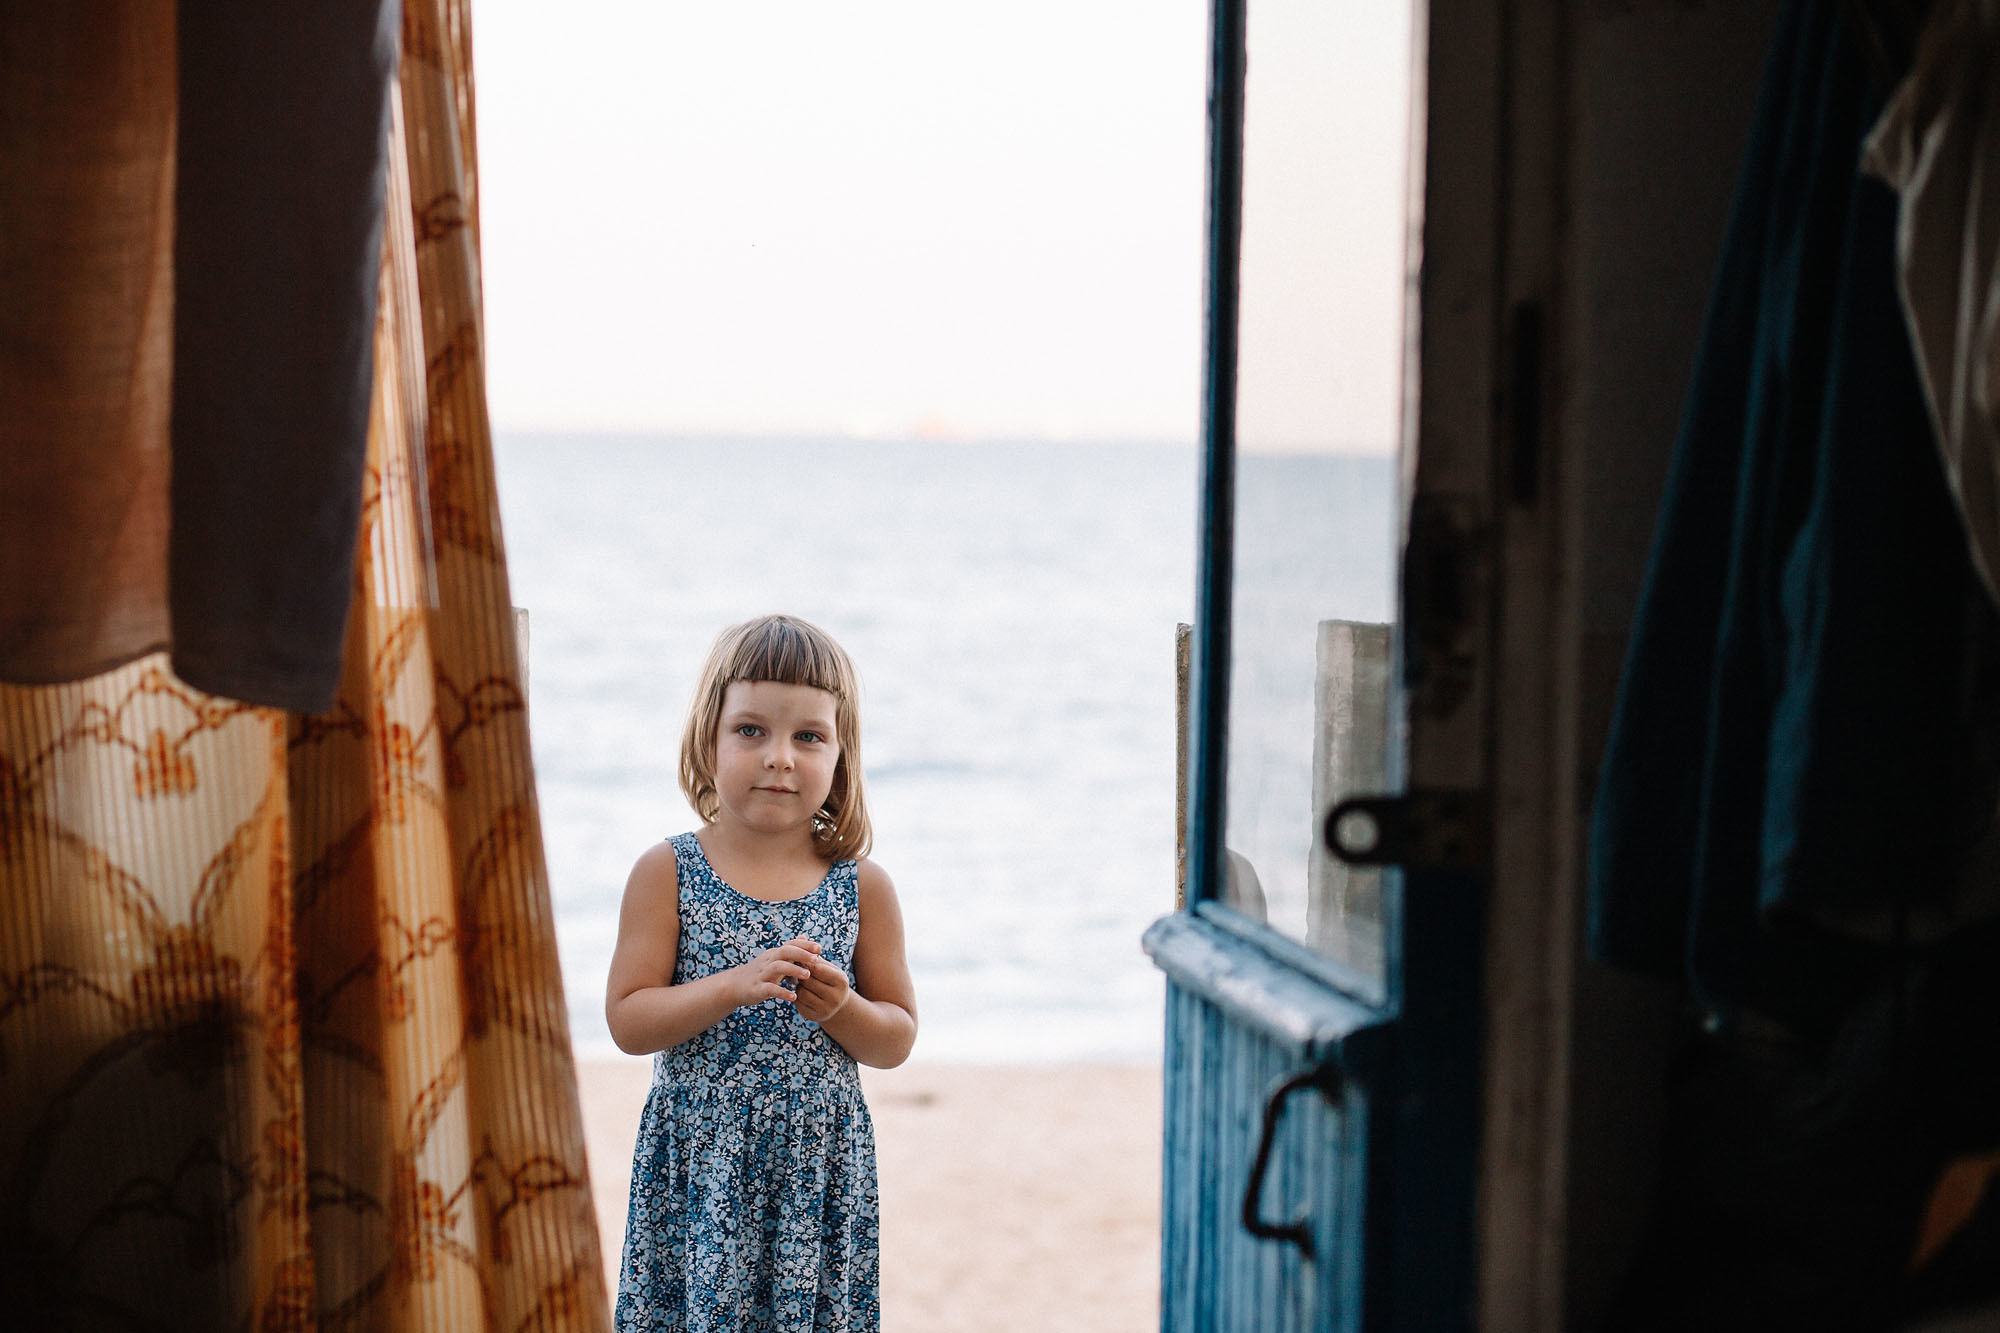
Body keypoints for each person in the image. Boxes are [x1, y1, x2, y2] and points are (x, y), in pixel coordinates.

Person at [606, 614, 918, 1333]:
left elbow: (896, 1037)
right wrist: (729, 986)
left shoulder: (860, 886)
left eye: (808, 736)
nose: (780, 756)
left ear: (842, 755)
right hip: (700, 1167)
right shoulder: (668, 871)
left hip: (816, 1171)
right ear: (707, 740)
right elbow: (627, 1017)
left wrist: (842, 1008)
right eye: (751, 730)